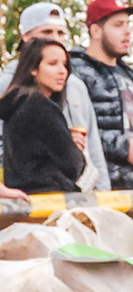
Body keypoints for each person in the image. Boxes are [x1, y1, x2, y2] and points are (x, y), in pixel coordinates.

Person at [0, 4, 108, 191]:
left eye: (60, 33)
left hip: (75, 196)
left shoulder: (76, 85)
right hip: (45, 197)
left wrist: (104, 194)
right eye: (47, 31)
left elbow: (93, 146)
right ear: (26, 37)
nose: (54, 38)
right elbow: (73, 164)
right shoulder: (11, 88)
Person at [68, 0, 133, 190]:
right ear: (95, 31)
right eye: (118, 25)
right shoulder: (73, 71)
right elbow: (72, 130)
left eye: (128, 24)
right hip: (97, 186)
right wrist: (125, 148)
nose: (127, 32)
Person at [0, 38, 84, 193]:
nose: (62, 71)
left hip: (23, 202)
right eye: (52, 64)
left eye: (65, 65)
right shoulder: (40, 107)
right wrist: (75, 148)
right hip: (50, 198)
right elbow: (73, 165)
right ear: (33, 68)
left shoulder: (15, 105)